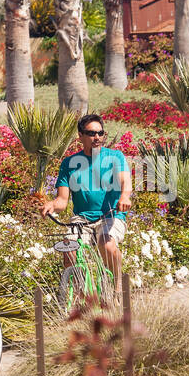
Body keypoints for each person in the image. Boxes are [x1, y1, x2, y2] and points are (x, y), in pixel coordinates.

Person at [42, 113, 132, 285]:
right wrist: (52, 205)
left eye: (100, 133)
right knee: (69, 249)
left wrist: (124, 197)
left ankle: (118, 288)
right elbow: (62, 200)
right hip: (81, 218)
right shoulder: (69, 163)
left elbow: (125, 182)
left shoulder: (115, 157)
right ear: (80, 136)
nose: (97, 137)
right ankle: (76, 297)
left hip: (110, 215)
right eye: (91, 133)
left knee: (106, 244)